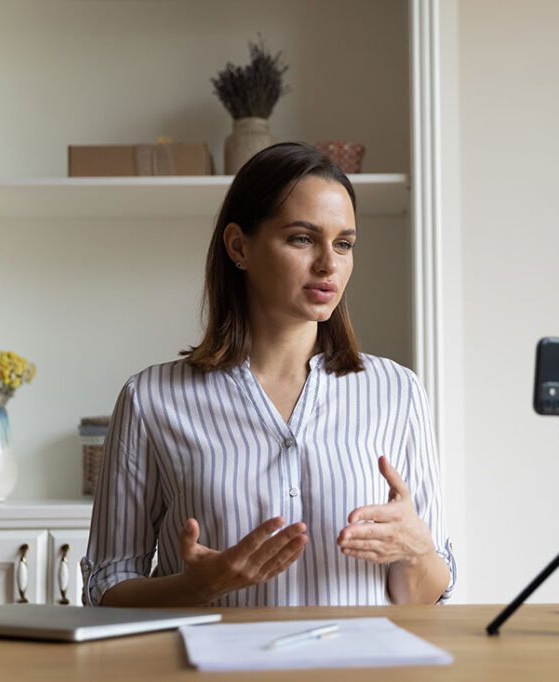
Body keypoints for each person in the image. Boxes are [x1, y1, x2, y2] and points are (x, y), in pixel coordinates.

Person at [81, 142, 456, 607]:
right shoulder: (151, 398)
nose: (329, 263)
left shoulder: (397, 391)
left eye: (343, 244)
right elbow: (105, 587)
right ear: (239, 246)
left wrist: (417, 552)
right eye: (302, 239)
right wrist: (195, 587)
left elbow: (424, 598)